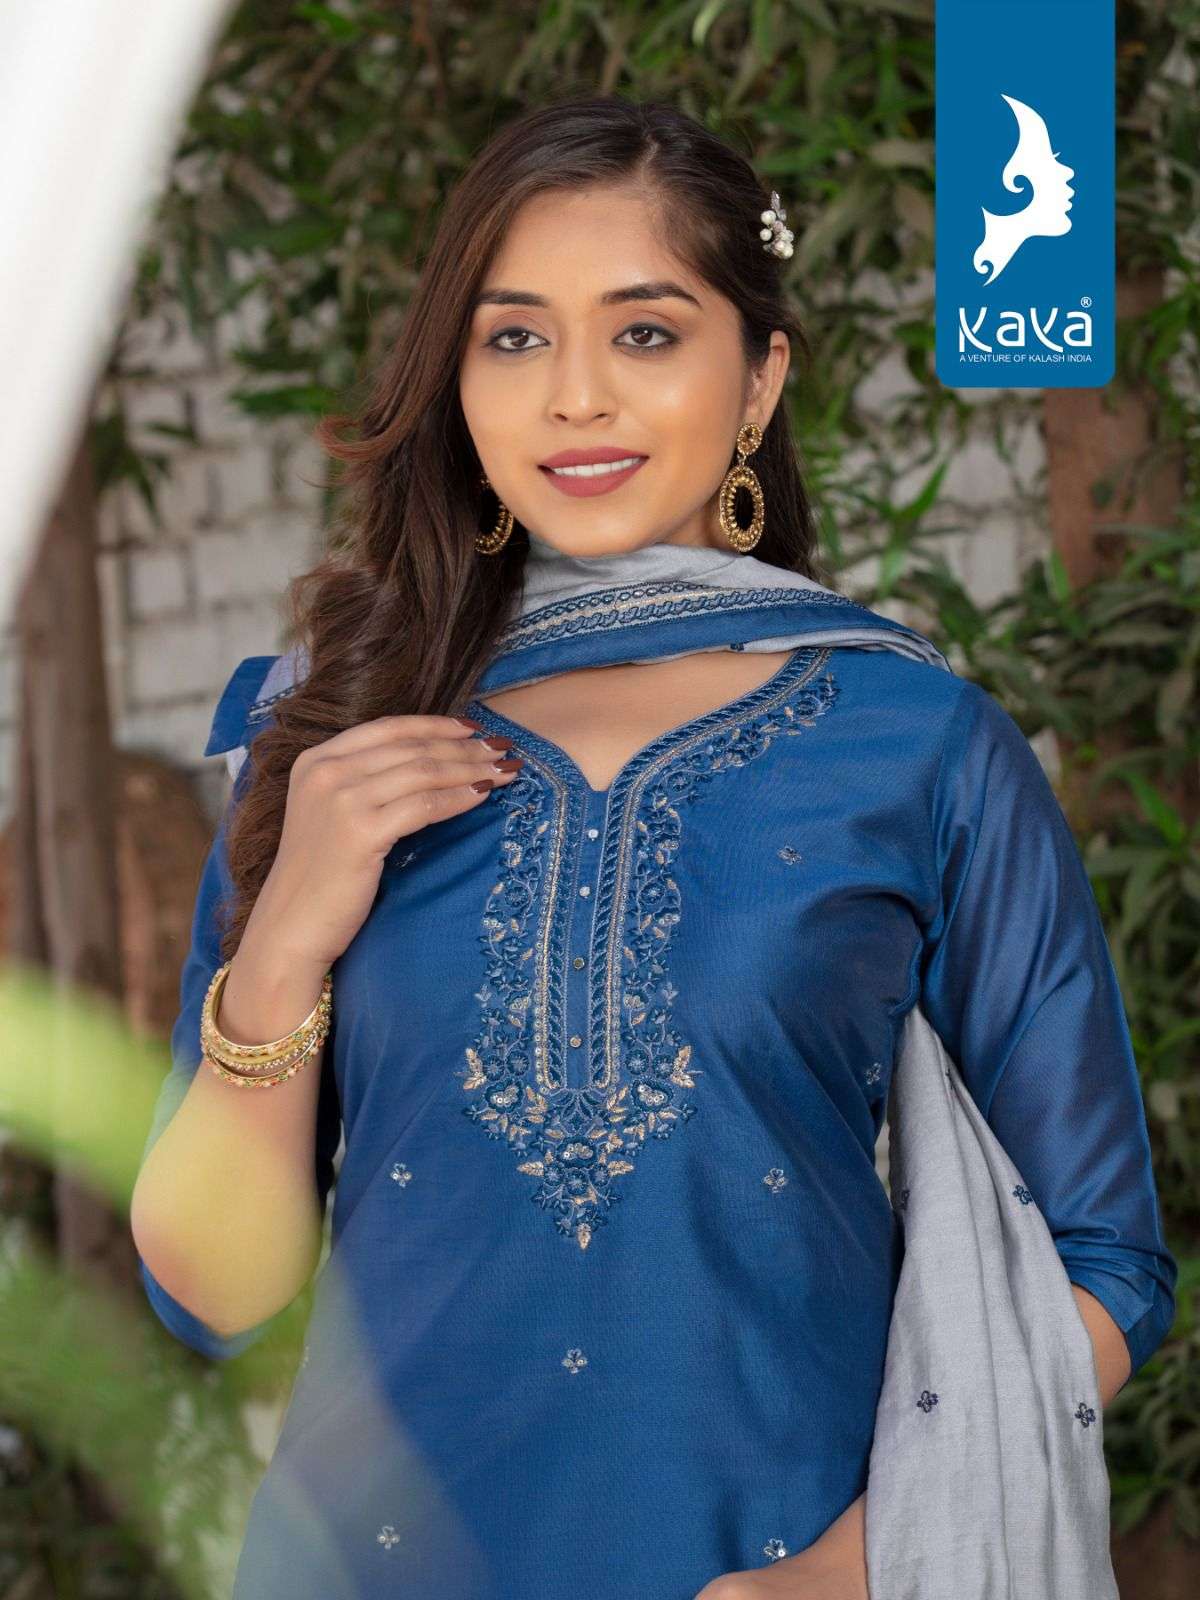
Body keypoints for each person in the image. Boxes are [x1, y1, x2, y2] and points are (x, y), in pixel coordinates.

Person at [129, 96, 1176, 1600]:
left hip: (769, 1562)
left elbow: (1102, 1261)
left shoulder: (917, 745)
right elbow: (211, 1298)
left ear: (759, 379)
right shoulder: (339, 732)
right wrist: (288, 931)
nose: (575, 398)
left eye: (644, 333)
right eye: (514, 338)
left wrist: (850, 1573)